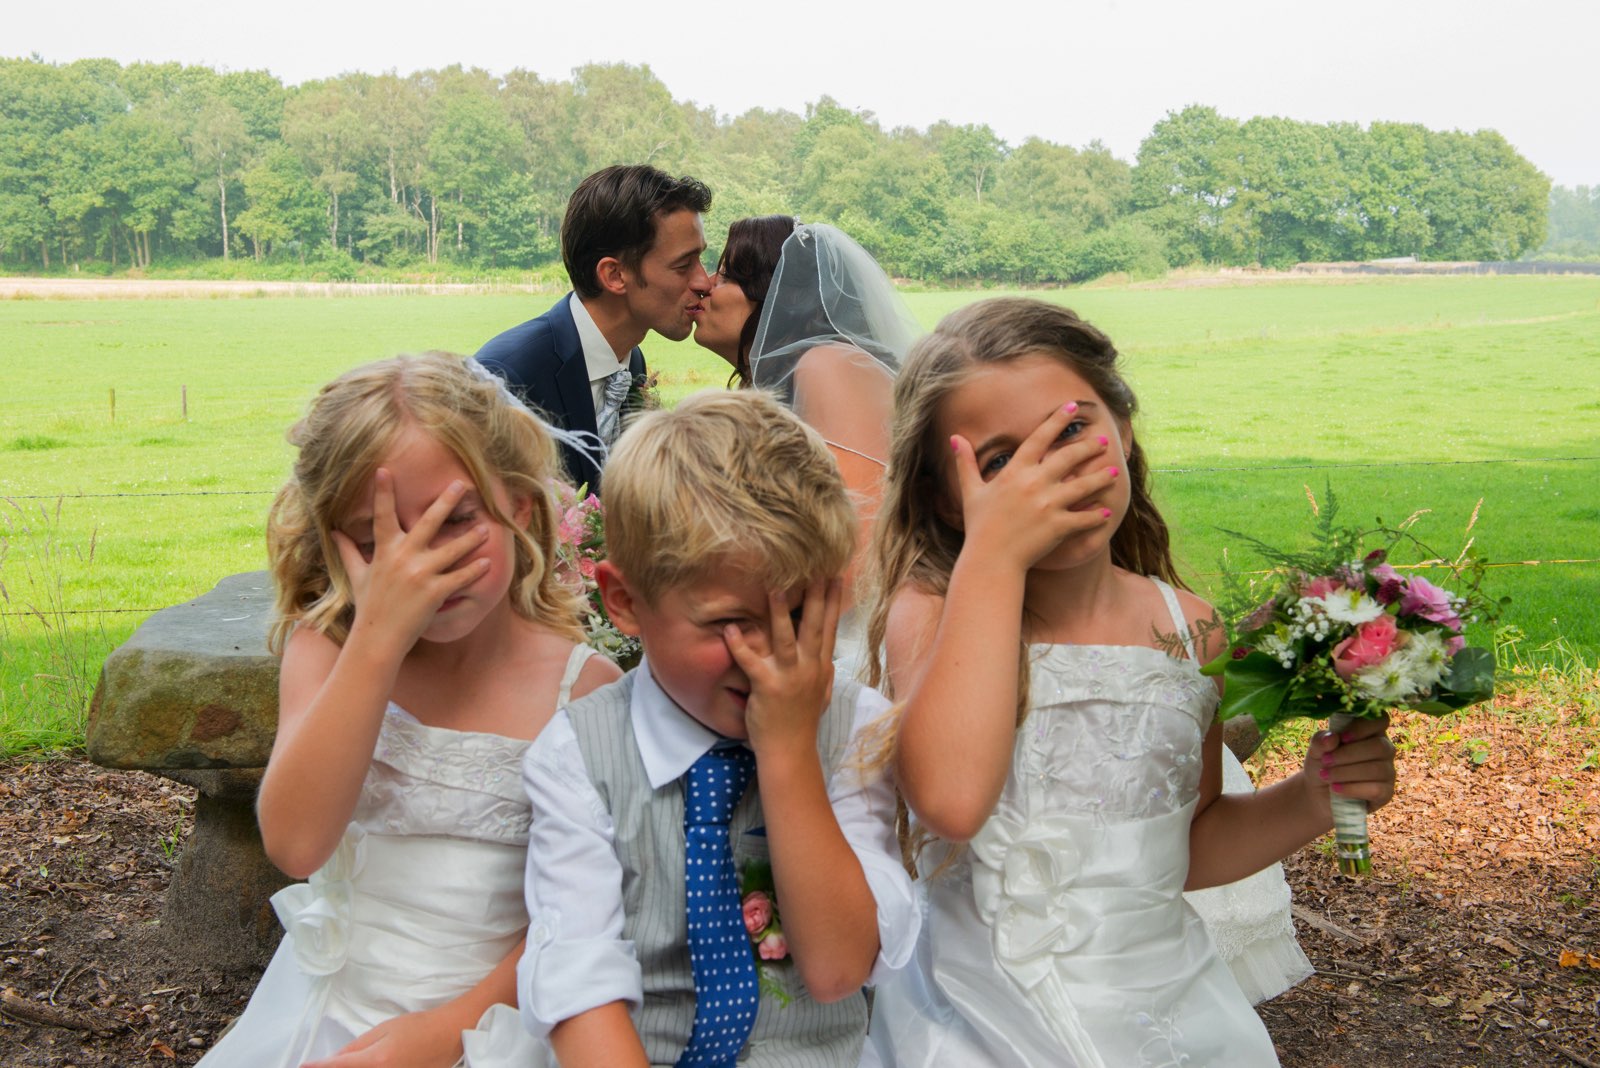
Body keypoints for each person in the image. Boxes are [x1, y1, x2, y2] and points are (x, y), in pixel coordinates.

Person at [862, 298, 1398, 1067]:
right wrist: (995, 557)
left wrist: (1311, 798)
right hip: (982, 1021)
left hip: (1169, 1014)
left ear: (1124, 426)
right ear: (948, 496)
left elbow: (1188, 844)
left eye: (1073, 430)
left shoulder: (1189, 629)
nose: (1051, 476)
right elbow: (949, 802)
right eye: (1002, 461)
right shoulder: (934, 612)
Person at [199, 353, 621, 1068]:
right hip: (332, 1016)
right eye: (379, 543)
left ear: (518, 504)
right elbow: (298, 845)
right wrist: (379, 638)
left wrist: (450, 1028)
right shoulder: (328, 653)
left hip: (504, 1021)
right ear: (333, 539)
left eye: (456, 519)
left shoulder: (583, 690)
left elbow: (584, 916)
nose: (425, 567)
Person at [516, 390, 918, 1067]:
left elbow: (837, 967)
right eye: (730, 624)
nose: (771, 658)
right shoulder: (579, 754)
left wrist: (789, 750)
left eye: (798, 617)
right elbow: (580, 984)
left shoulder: (853, 729)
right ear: (624, 602)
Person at [690, 217, 921, 674]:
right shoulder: (804, 373)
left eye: (728, 275)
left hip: (845, 651)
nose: (706, 286)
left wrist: (754, 639)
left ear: (780, 296)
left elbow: (859, 546)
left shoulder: (829, 366)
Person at [475, 164, 713, 494]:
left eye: (701, 260)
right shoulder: (506, 376)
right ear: (614, 276)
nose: (704, 281)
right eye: (683, 265)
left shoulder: (632, 363)